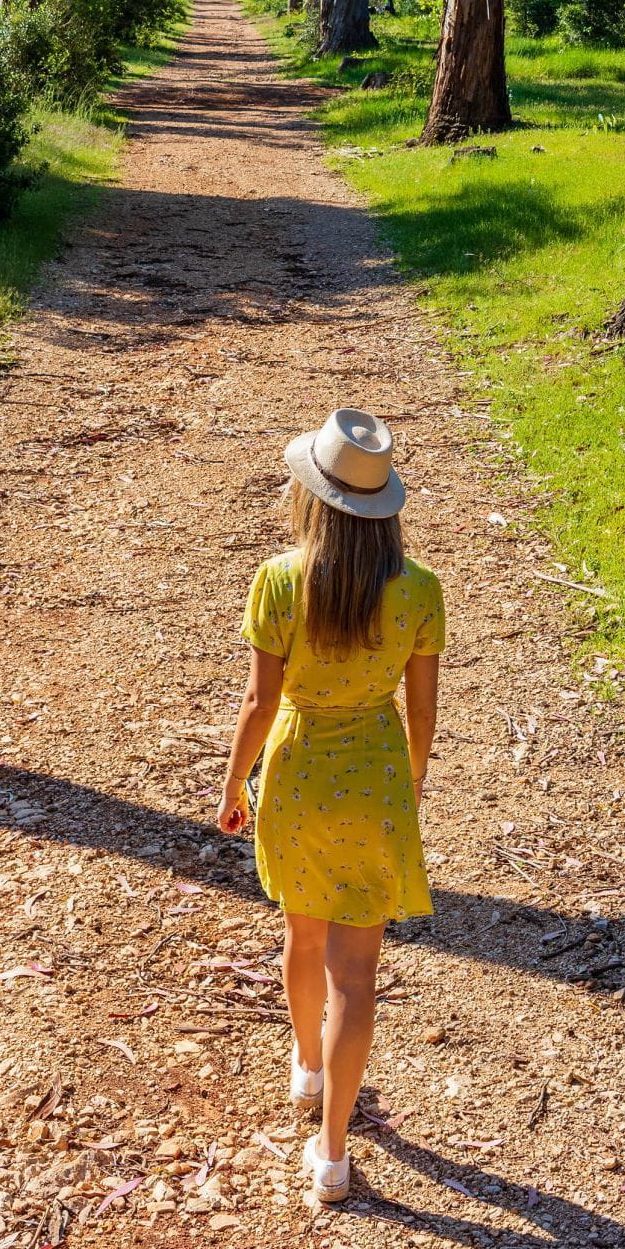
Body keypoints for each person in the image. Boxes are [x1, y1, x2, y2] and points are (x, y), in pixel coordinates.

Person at [216, 409, 443, 1206]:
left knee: (300, 933)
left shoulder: (280, 579)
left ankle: (305, 1069)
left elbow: (257, 701)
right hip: (375, 773)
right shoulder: (419, 590)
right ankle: (334, 1153)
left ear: (310, 496)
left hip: (297, 765)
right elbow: (422, 715)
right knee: (358, 971)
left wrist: (232, 784)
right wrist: (406, 787)